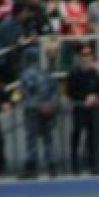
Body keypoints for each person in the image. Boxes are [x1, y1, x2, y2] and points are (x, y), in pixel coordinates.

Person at [18, 45, 60, 178]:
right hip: (47, 111)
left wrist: (39, 105)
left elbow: (27, 93)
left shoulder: (25, 75)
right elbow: (54, 91)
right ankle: (52, 167)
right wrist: (49, 104)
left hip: (32, 111)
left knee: (32, 140)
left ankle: (31, 169)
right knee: (48, 139)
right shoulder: (46, 73)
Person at [66, 42, 99, 175]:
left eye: (89, 55)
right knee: (77, 136)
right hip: (80, 109)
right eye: (84, 55)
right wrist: (84, 98)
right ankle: (75, 166)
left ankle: (95, 165)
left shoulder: (95, 73)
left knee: (94, 138)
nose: (86, 58)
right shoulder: (74, 73)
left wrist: (95, 96)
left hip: (94, 110)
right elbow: (70, 92)